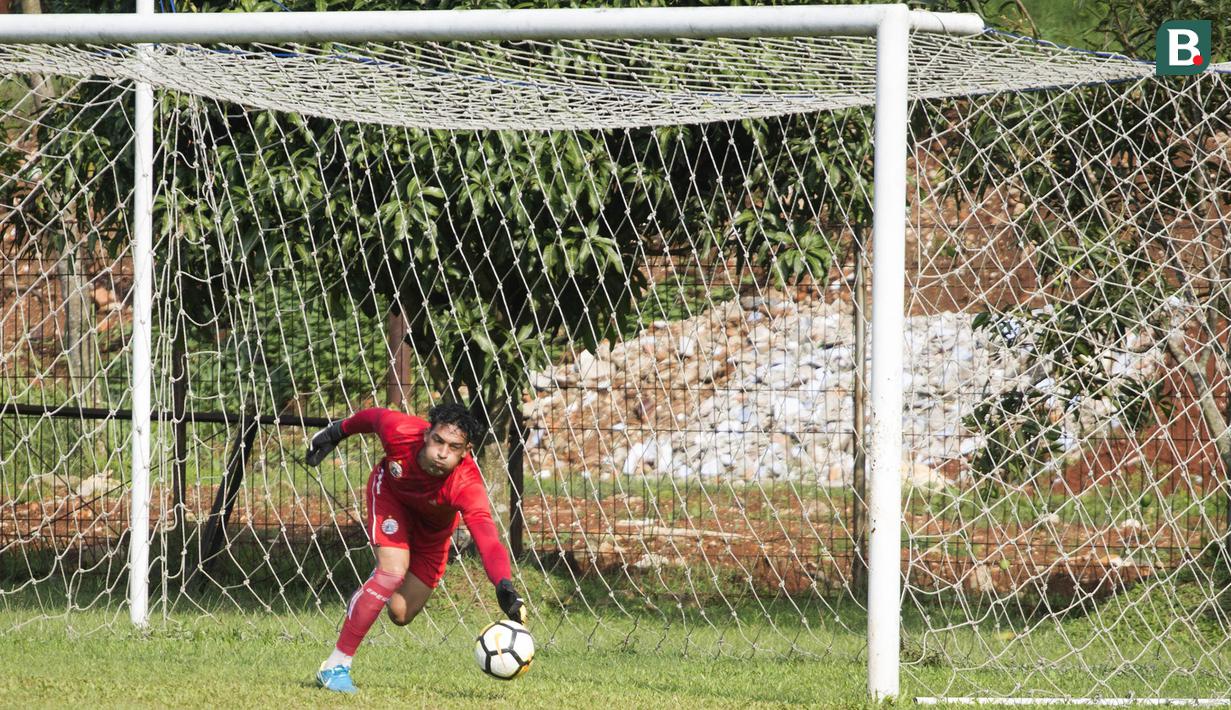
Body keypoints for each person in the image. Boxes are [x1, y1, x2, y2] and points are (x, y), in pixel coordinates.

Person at [305, 403, 526, 694]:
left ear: (466, 450)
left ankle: (373, 590)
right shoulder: (401, 432)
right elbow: (374, 417)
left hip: (433, 532)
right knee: (391, 572)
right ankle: (335, 666)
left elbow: (487, 536)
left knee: (400, 613)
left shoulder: (467, 484)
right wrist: (335, 432)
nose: (442, 453)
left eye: (454, 447)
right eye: (438, 441)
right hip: (391, 499)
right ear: (426, 435)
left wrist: (503, 582)